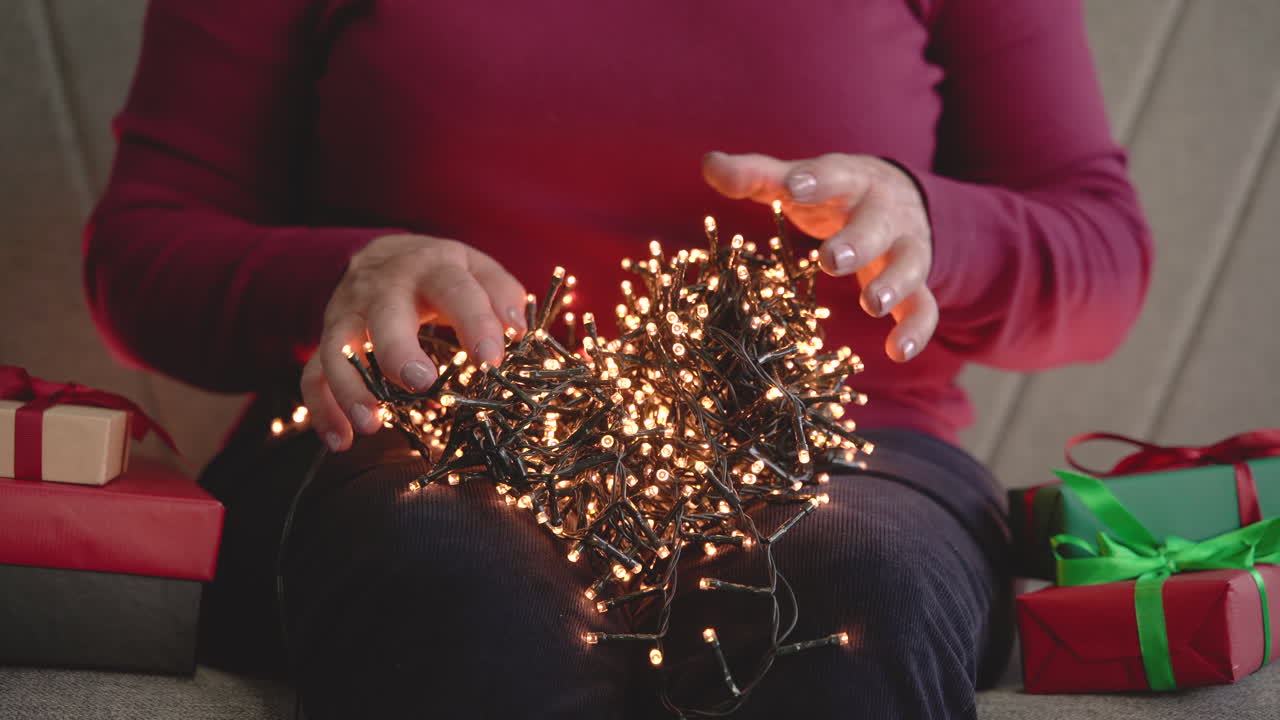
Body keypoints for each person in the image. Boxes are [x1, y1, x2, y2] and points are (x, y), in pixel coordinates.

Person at [83, 1, 1152, 717]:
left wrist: (926, 225)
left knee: (857, 605)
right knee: (456, 589)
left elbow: (1103, 253)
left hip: (829, 449)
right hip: (414, 433)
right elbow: (140, 252)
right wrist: (347, 276)